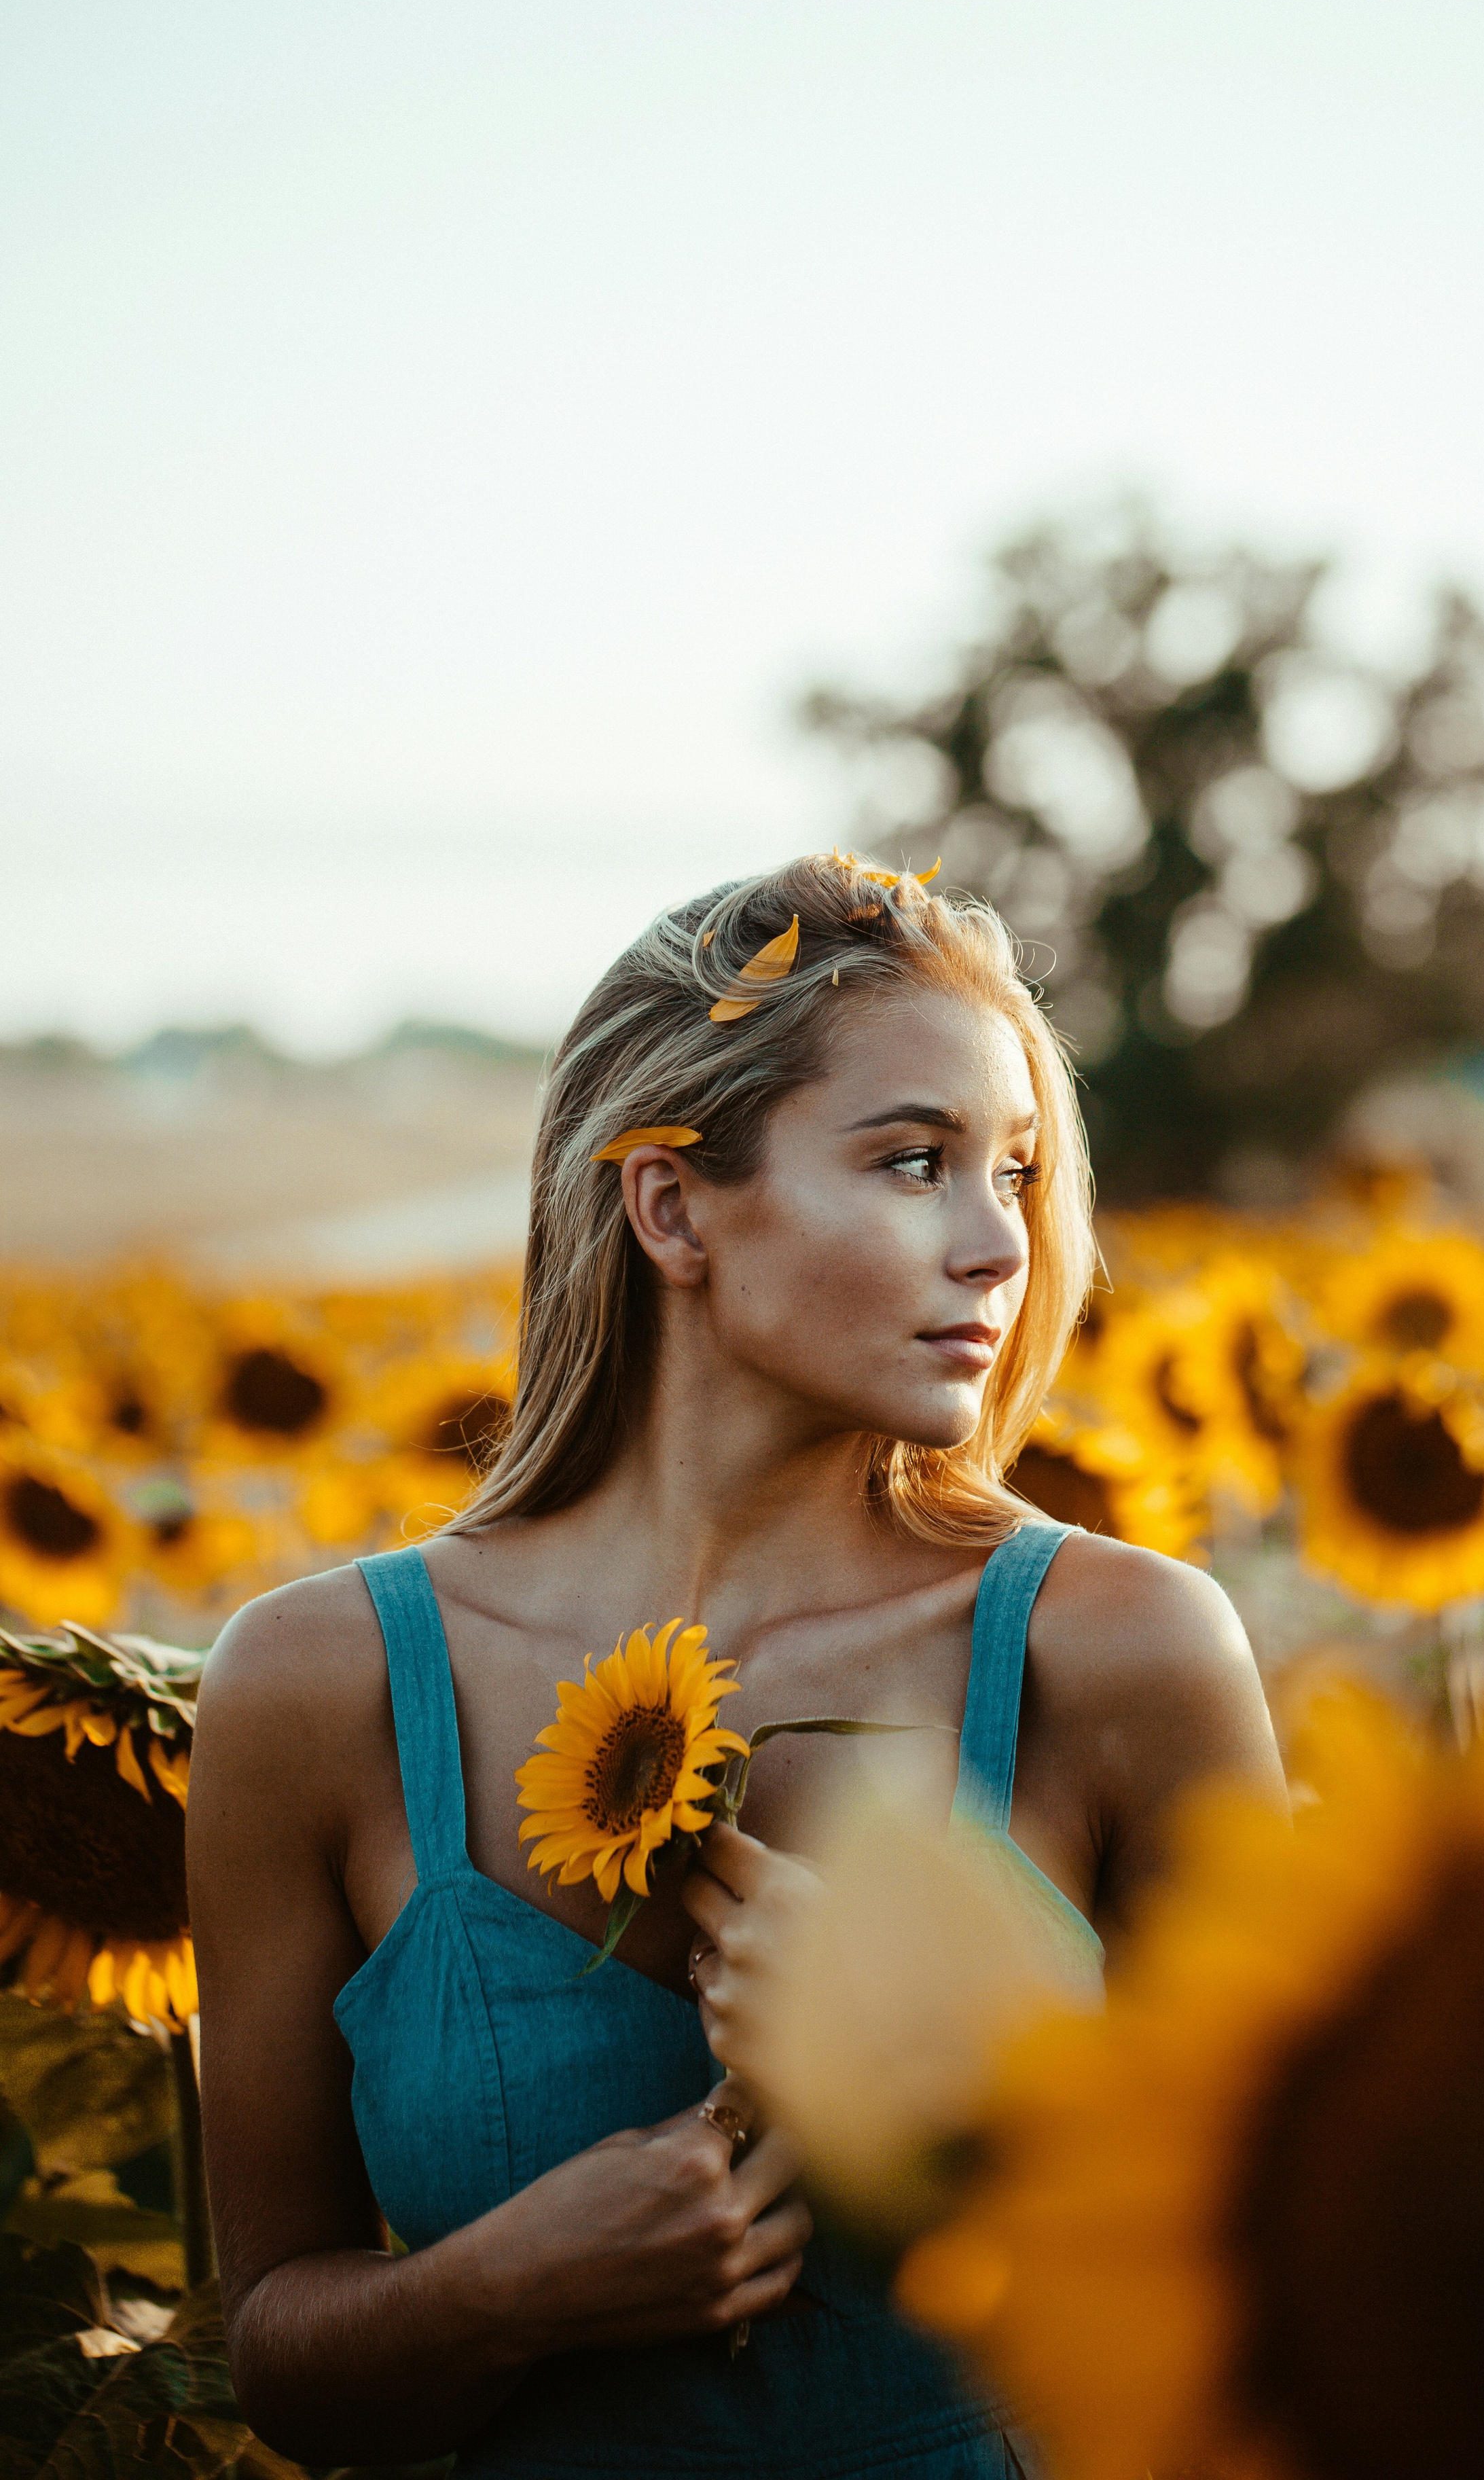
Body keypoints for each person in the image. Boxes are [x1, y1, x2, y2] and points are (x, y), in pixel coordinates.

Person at [188, 850, 1284, 2477]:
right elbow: (272, 2354)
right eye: (915, 1163)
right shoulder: (313, 1686)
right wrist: (503, 2296)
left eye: (1018, 1171)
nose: (1000, 1243)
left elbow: (1303, 2292)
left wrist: (1001, 2083)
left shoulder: (1119, 1655)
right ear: (671, 1206)